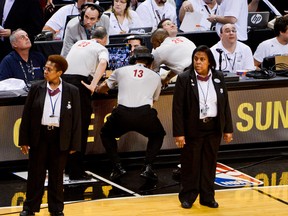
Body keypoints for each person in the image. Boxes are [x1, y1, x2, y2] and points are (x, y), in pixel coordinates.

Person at [19, 55, 81, 216]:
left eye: (49, 69)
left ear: (59, 72)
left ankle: (56, 209)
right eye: (45, 68)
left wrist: (74, 144)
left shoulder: (72, 91)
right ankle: (29, 208)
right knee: (35, 174)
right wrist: (23, 140)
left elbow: (76, 119)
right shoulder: (36, 88)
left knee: (56, 175)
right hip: (40, 136)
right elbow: (26, 116)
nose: (45, 71)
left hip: (59, 138)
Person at [172, 45, 233, 209]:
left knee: (209, 164)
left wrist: (228, 129)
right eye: (196, 59)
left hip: (213, 128)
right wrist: (179, 133)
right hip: (193, 128)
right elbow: (177, 108)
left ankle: (207, 197)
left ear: (210, 62)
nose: (198, 62)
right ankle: (188, 196)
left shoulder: (219, 77)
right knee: (191, 164)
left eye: (202, 59)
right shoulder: (184, 78)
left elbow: (225, 105)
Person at [97, 46, 166, 181]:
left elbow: (102, 88)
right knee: (158, 135)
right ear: (149, 60)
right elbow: (154, 99)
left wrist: (99, 88)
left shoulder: (120, 71)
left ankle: (117, 167)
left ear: (132, 58)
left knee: (106, 134)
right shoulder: (155, 76)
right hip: (145, 113)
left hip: (122, 113)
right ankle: (148, 167)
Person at [62, 26, 109, 180]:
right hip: (79, 84)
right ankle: (76, 171)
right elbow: (103, 63)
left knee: (67, 126)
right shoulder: (101, 48)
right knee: (80, 127)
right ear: (105, 39)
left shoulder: (78, 43)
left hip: (64, 82)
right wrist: (94, 84)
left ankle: (67, 167)